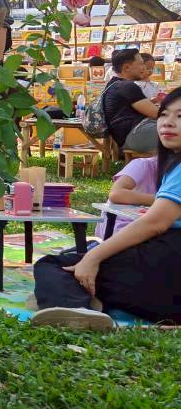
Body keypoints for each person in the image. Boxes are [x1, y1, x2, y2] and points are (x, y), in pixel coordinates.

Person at [31, 87, 181, 329]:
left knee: (56, 266)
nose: (168, 122)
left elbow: (155, 223)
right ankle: (91, 301)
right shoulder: (168, 165)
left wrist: (94, 257)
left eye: (180, 116)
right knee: (81, 261)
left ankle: (76, 311)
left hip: (167, 273)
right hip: (166, 276)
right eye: (164, 114)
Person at [102, 48, 159, 154]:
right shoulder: (127, 86)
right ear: (126, 67)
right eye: (141, 64)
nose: (144, 67)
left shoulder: (113, 84)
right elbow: (156, 113)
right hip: (135, 135)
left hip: (126, 137)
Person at [97, 155, 158, 238]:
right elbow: (116, 194)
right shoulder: (142, 164)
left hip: (151, 225)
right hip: (120, 224)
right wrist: (162, 200)